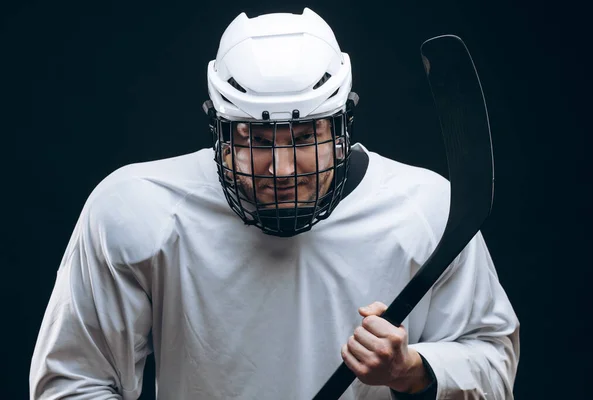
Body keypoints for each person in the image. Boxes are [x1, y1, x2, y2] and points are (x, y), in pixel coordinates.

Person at [29, 8, 520, 400]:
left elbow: (494, 362)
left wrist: (413, 370)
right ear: (218, 128)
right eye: (255, 137)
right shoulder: (136, 210)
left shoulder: (429, 209)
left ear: (343, 124)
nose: (281, 170)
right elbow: (72, 382)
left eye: (305, 136)